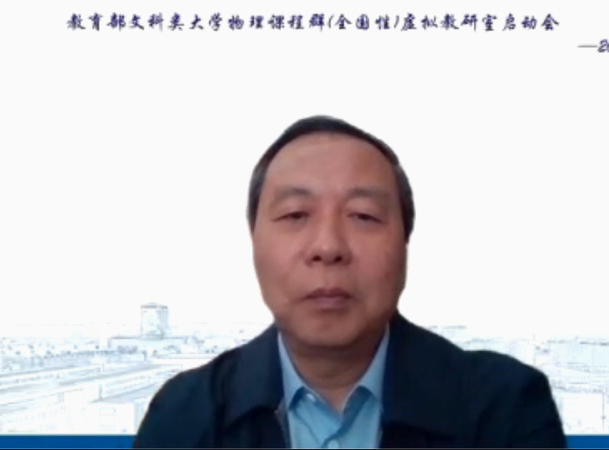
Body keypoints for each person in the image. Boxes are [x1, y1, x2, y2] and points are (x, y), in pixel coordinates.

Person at [133, 116, 567, 448]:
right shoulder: (185, 415)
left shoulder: (504, 407)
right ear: (254, 241)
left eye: (363, 216)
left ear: (406, 242)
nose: (328, 246)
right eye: (295, 215)